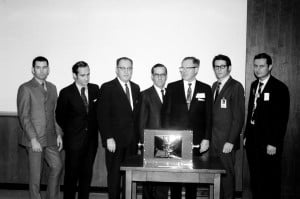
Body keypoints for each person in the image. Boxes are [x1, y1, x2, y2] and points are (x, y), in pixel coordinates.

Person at [161, 56, 213, 199]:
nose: (182, 70)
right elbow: (165, 114)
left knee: (192, 177)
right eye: (181, 68)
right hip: (175, 141)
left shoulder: (205, 88)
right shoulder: (172, 87)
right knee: (176, 177)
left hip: (197, 141)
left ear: (196, 69)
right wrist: (167, 139)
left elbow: (209, 117)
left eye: (186, 68)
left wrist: (207, 139)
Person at [244, 53, 290, 199]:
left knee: (270, 179)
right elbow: (251, 112)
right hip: (253, 140)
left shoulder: (279, 88)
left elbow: (281, 119)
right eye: (255, 66)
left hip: (269, 143)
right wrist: (246, 135)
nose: (258, 69)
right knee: (256, 178)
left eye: (262, 66)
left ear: (270, 66)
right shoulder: (253, 85)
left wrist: (273, 143)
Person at [17, 56, 63, 199]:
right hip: (34, 139)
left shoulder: (53, 87)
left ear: (48, 69)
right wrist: (33, 139)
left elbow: (55, 114)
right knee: (35, 177)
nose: (41, 71)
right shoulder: (25, 88)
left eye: (44, 67)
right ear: (33, 69)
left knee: (57, 166)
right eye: (38, 67)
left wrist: (59, 134)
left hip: (51, 138)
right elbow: (24, 116)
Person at [56, 61, 100, 199]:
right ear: (74, 75)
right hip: (74, 142)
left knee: (86, 177)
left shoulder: (95, 89)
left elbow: (97, 113)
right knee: (71, 177)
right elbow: (60, 117)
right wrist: (71, 133)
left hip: (91, 142)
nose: (86, 78)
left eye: (88, 74)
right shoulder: (66, 92)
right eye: (82, 75)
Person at [97, 57, 140, 199]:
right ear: (116, 70)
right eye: (123, 68)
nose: (126, 71)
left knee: (129, 176)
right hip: (114, 141)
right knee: (114, 176)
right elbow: (102, 116)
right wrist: (108, 137)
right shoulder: (107, 87)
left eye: (129, 68)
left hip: (132, 142)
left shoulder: (135, 87)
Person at [211, 54, 245, 199]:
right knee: (215, 176)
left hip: (226, 141)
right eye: (216, 66)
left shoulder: (236, 86)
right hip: (213, 140)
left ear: (229, 68)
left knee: (227, 175)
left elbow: (238, 118)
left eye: (222, 66)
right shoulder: (214, 85)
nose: (219, 69)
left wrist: (230, 141)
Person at [138, 64, 169, 199]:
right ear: (152, 76)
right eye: (157, 74)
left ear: (166, 76)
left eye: (163, 74)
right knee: (149, 180)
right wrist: (145, 144)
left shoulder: (171, 93)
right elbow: (141, 122)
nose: (160, 77)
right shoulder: (145, 95)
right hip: (151, 144)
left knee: (164, 178)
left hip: (169, 144)